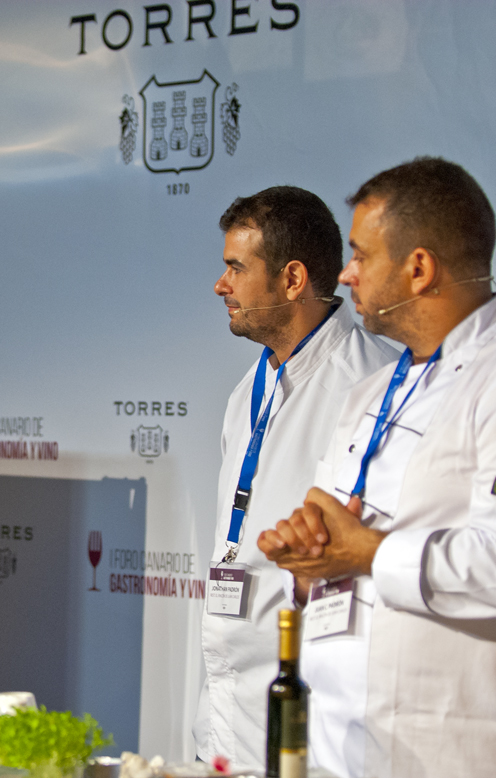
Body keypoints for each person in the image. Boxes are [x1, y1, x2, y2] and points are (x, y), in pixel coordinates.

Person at [258, 158, 496, 778]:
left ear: (419, 268)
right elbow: (338, 546)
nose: (346, 273)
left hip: (460, 754)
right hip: (340, 748)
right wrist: (311, 557)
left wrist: (365, 551)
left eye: (362, 255)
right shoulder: (370, 395)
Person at [194, 187, 397, 769]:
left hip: (319, 703)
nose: (220, 284)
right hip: (228, 698)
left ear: (292, 279)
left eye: (236, 267)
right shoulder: (244, 395)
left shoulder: (374, 386)